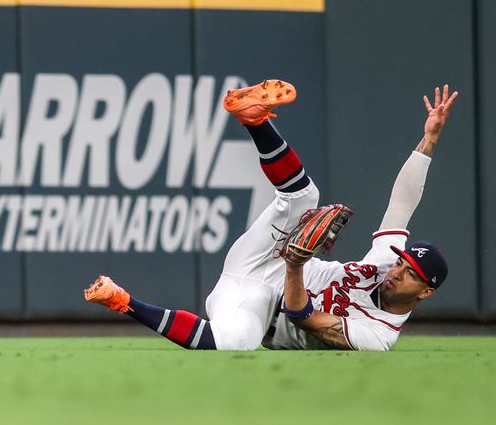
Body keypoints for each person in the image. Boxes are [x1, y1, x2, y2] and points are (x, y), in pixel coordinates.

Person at [85, 79, 458, 351]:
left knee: (235, 342)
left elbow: (303, 318)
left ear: (425, 291)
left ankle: (124, 301)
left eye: (410, 274)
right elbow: (402, 202)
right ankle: (255, 119)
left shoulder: (378, 335)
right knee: (303, 195)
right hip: (268, 256)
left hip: (259, 304)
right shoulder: (384, 262)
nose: (396, 272)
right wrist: (430, 141)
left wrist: (296, 265)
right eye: (402, 263)